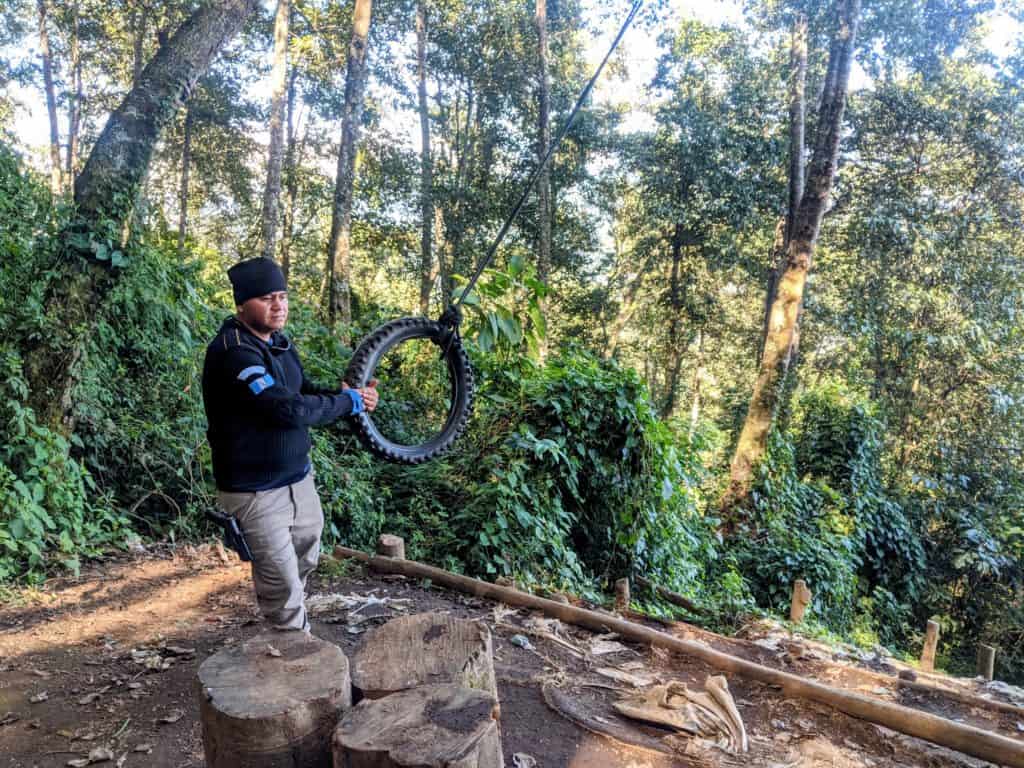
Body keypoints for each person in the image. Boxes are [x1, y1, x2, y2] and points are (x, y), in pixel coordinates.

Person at [201, 257, 378, 633]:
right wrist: (349, 404)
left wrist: (346, 395)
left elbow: (301, 391)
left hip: (298, 478)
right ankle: (293, 657)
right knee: (283, 586)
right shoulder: (235, 353)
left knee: (305, 558)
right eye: (266, 298)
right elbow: (285, 408)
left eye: (281, 296)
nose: (278, 305)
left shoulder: (279, 344)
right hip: (255, 491)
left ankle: (284, 620)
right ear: (242, 304)